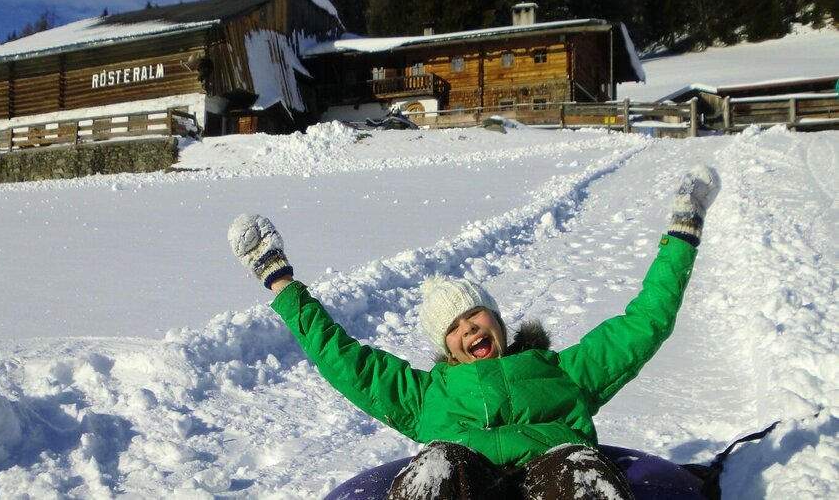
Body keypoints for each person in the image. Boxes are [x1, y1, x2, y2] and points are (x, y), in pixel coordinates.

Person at [228, 165, 721, 499]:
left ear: (498, 322)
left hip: (553, 471)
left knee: (577, 464)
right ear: (447, 348)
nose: (469, 330)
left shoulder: (563, 372)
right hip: (465, 484)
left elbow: (645, 322)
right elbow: (342, 358)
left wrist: (683, 232)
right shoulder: (426, 396)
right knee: (441, 462)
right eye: (455, 329)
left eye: (475, 316)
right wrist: (279, 280)